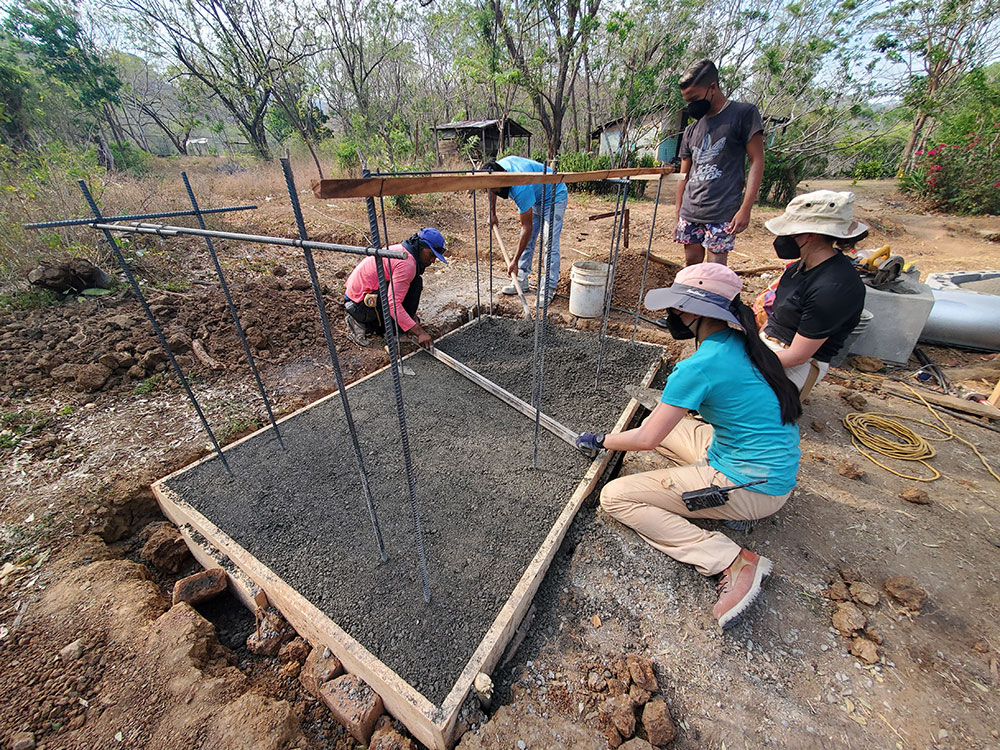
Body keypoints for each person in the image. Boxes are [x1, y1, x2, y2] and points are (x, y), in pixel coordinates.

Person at [576, 263, 801, 629]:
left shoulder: (700, 366)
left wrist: (602, 440)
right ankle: (730, 507)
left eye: (677, 307)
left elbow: (648, 439)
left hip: (752, 483)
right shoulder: (740, 340)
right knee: (669, 425)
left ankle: (730, 560)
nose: (672, 315)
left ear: (697, 311)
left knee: (615, 496)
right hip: (760, 462)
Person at [762, 190, 868, 397]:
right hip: (772, 343)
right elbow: (776, 317)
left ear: (810, 234)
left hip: (798, 360)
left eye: (790, 232)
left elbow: (798, 355)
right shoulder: (798, 268)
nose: (783, 237)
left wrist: (750, 361)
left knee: (730, 401)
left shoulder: (835, 287)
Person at [672, 59, 765, 268]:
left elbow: (757, 160)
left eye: (695, 98)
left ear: (712, 87)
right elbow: (683, 175)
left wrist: (746, 208)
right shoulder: (691, 130)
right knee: (692, 266)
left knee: (714, 272)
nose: (692, 105)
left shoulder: (743, 114)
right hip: (691, 210)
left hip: (722, 211)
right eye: (688, 101)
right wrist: (678, 213)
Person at [343, 227, 447, 348]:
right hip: (359, 304)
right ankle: (359, 322)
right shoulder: (406, 263)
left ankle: (395, 328)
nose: (433, 260)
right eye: (431, 254)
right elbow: (392, 303)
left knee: (415, 282)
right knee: (397, 296)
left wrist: (411, 317)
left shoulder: (405, 252)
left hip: (367, 294)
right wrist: (419, 332)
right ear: (420, 247)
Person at [485, 155, 568, 303]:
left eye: (496, 188)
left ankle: (548, 288)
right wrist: (492, 213)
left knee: (549, 242)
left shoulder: (520, 187)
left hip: (554, 195)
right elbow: (491, 188)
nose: (495, 191)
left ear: (504, 176)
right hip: (536, 195)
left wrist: (514, 261)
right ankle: (521, 279)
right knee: (527, 241)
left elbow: (527, 228)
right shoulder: (494, 171)